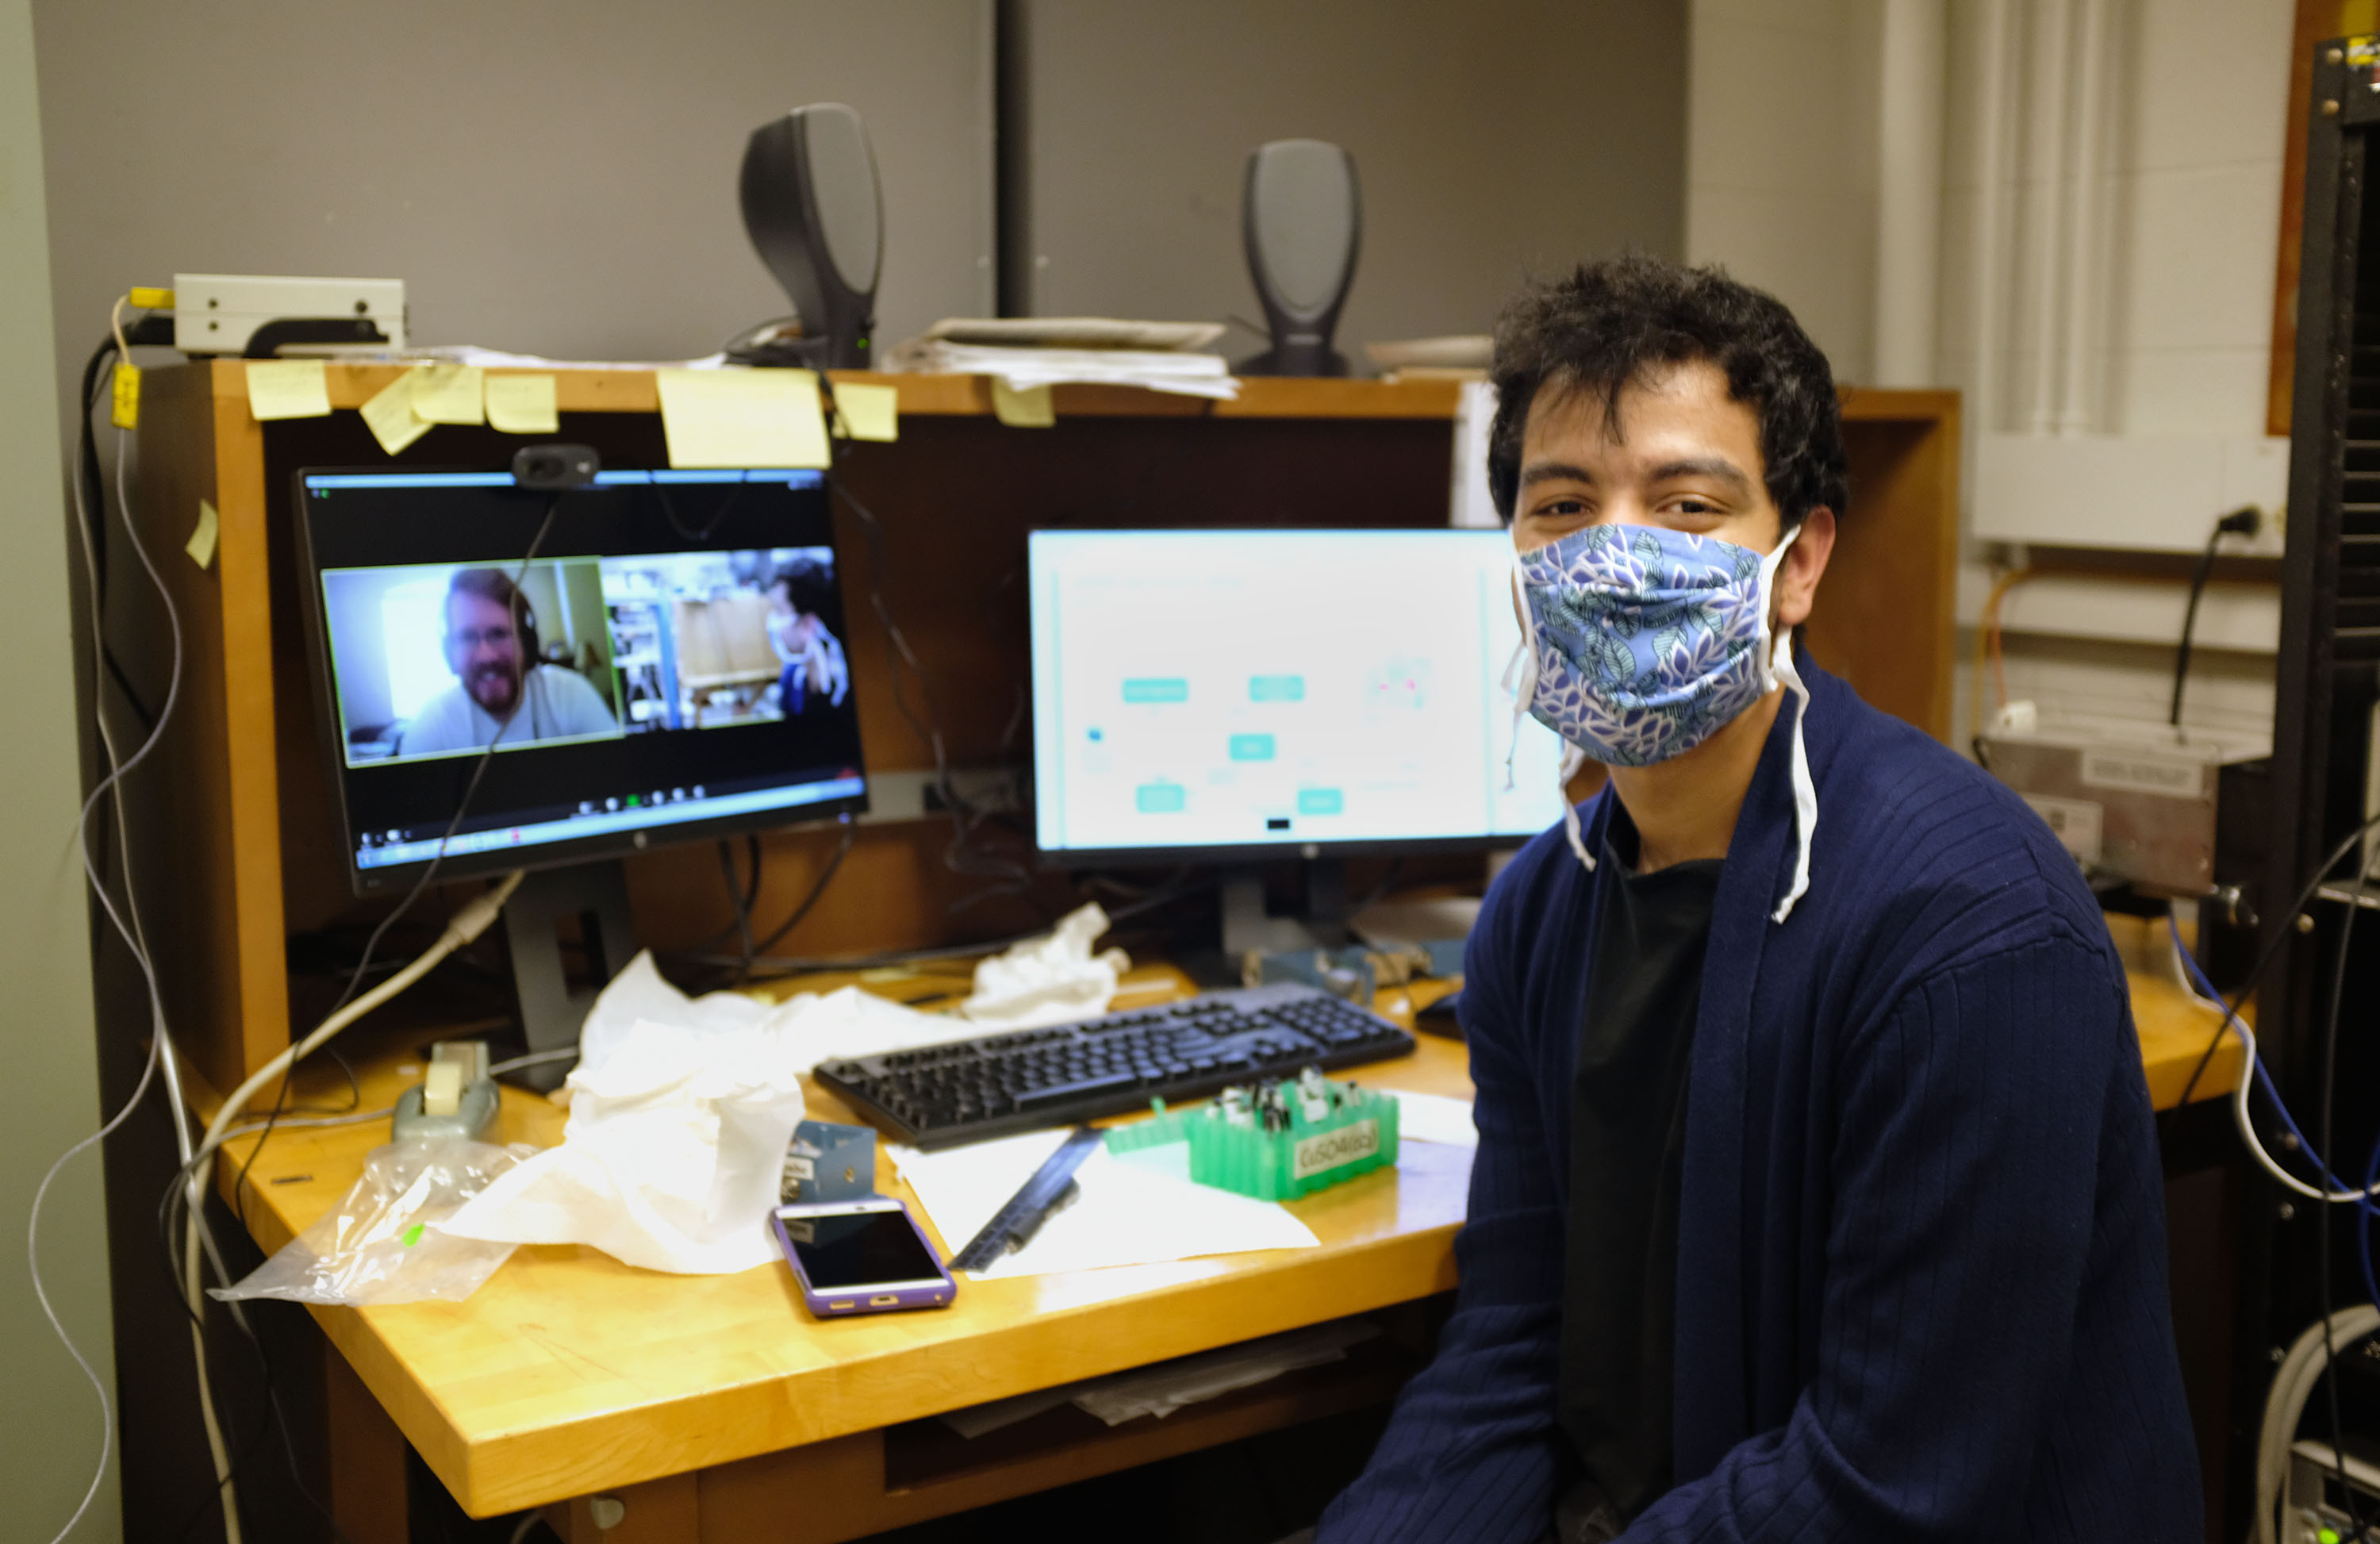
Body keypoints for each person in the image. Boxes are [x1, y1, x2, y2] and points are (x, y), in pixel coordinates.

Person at [1311, 255, 2198, 1543]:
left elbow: (1893, 1490)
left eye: (1686, 505)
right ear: (1513, 563)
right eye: (1563, 507)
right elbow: (1514, 1345)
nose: (1615, 554)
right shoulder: (1538, 919)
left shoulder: (1969, 935)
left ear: (1797, 562)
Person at [395, 567, 618, 756]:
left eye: (499, 634)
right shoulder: (432, 724)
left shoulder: (571, 695)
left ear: (526, 642)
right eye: (468, 637)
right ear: (449, 651)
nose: (486, 656)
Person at [765, 573, 850, 714]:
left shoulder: (849, 690)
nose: (772, 621)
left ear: (808, 624)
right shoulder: (792, 678)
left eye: (779, 610)